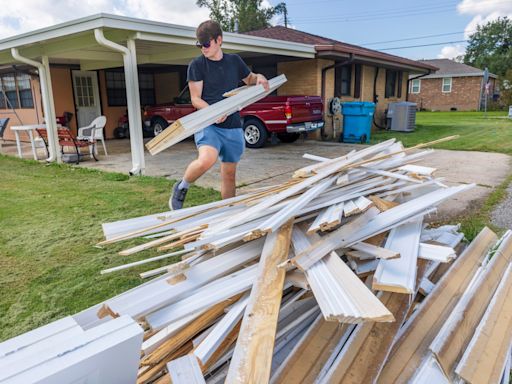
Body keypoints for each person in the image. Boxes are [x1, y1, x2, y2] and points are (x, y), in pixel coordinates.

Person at [169, 20, 269, 210]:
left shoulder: (234, 61)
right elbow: (195, 99)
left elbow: (250, 79)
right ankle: (182, 186)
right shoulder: (197, 65)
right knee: (207, 159)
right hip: (208, 122)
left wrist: (260, 77)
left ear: (219, 40)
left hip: (232, 125)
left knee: (229, 174)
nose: (203, 49)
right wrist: (213, 113)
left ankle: (227, 213)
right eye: (200, 45)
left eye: (206, 44)